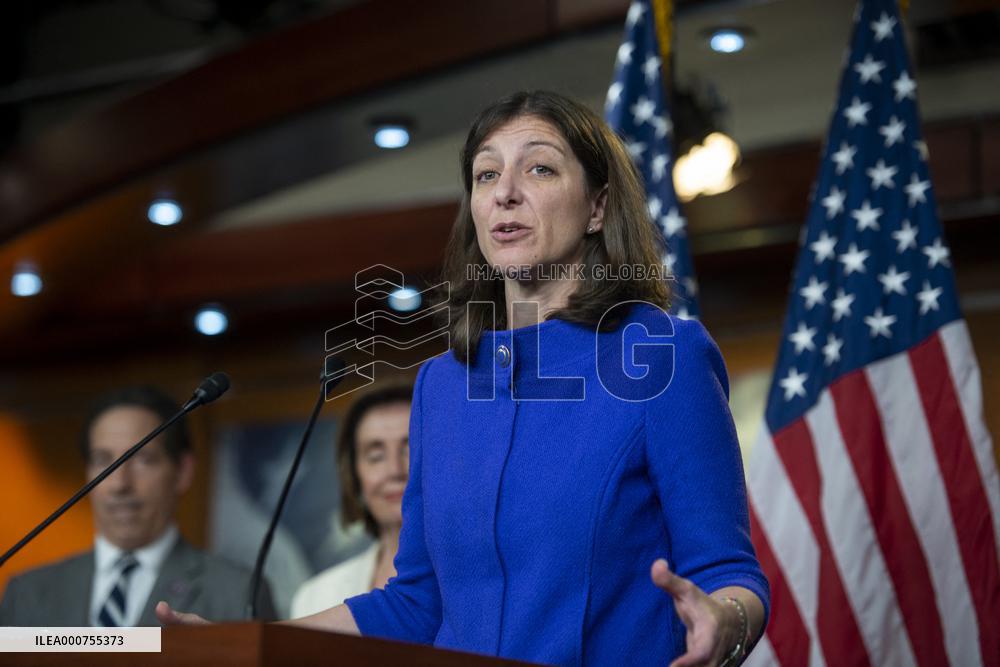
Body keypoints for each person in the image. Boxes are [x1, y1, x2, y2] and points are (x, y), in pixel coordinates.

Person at [159, 90, 770, 666]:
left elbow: (727, 572)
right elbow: (418, 601)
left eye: (539, 170)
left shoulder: (661, 353)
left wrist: (727, 621)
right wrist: (248, 644)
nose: (505, 192)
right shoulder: (442, 386)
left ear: (598, 206)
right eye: (485, 174)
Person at [0, 385, 275, 626]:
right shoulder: (26, 592)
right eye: (103, 460)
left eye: (143, 459)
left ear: (183, 472)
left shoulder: (239, 592)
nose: (120, 484)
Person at [289, 383, 412, 618]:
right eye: (376, 456)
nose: (395, 470)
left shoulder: (478, 583)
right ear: (354, 475)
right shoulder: (316, 595)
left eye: (412, 450)